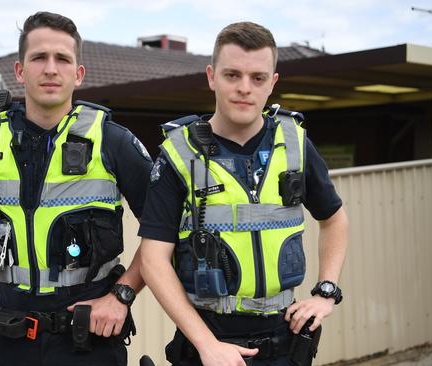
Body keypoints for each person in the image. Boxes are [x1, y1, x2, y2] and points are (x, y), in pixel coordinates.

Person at [139, 22, 349, 366]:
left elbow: (335, 219)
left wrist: (326, 291)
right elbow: (152, 259)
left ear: (273, 83)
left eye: (258, 78)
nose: (244, 89)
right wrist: (207, 345)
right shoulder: (179, 153)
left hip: (286, 344)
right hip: (208, 346)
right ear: (211, 76)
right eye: (232, 75)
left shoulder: (295, 143)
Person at [0, 11, 152, 366]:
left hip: (87, 340)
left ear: (78, 74)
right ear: (20, 70)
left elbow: (162, 232)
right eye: (39, 58)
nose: (50, 68)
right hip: (6, 337)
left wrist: (121, 296)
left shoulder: (112, 141)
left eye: (62, 59)